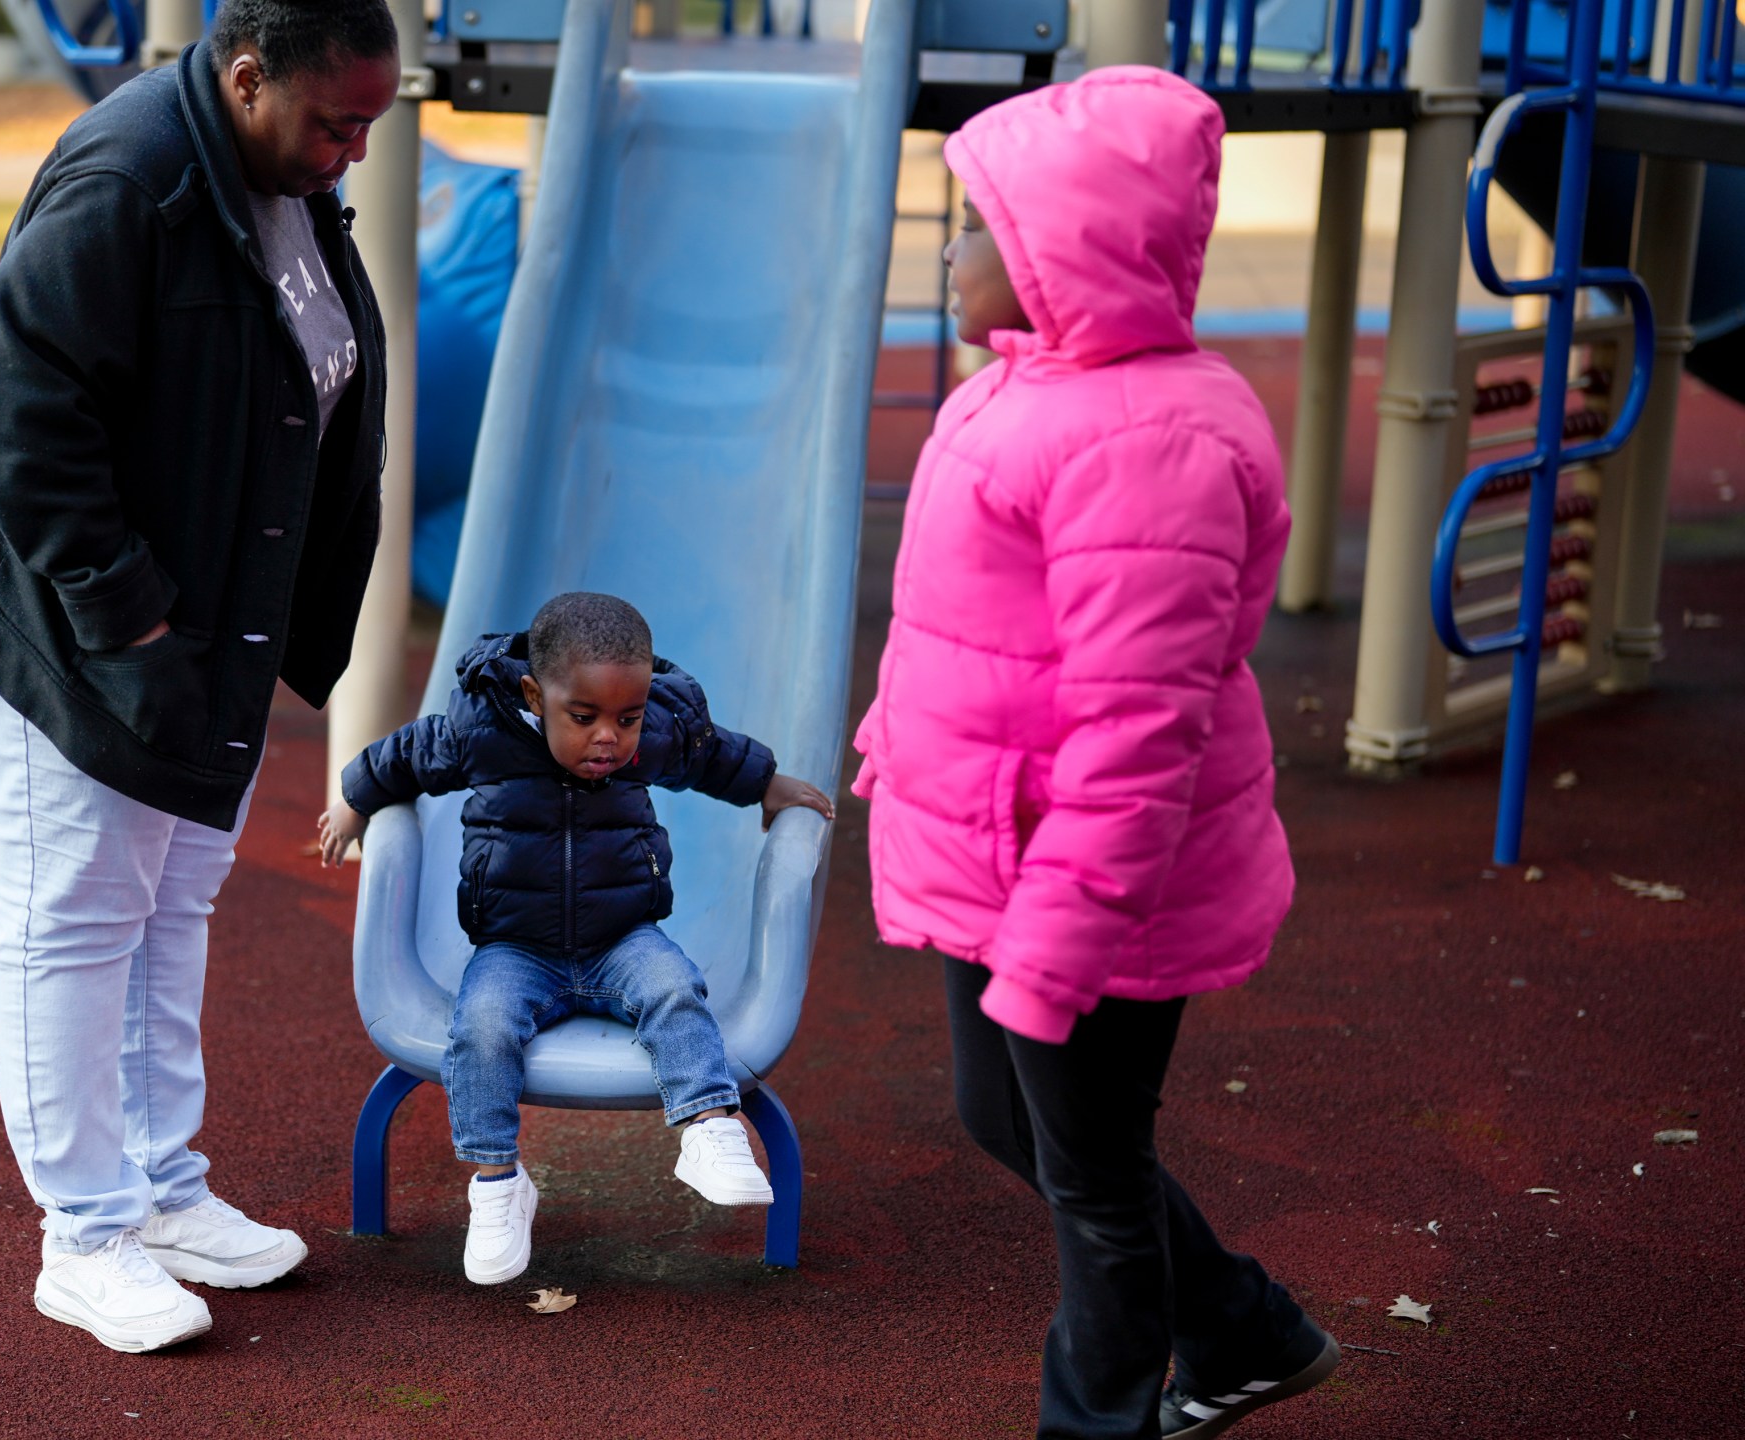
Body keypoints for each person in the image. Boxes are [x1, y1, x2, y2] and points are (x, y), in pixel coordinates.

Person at [0, 0, 401, 1355]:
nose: (352, 149)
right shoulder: (129, 179)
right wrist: (135, 629)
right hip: (38, 593)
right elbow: (19, 416)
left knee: (175, 889)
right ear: (243, 79)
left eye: (371, 125)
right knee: (75, 898)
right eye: (335, 121)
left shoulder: (280, 175)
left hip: (177, 601)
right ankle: (85, 1237)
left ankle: (160, 1189)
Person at [849, 68, 1337, 1438]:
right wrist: (901, 739)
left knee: (1095, 1178)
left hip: (1092, 882)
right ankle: (1248, 1329)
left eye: (977, 226)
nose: (950, 252)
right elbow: (965, 629)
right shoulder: (1022, 394)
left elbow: (1138, 737)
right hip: (1002, 853)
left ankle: (1102, 1422)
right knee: (1011, 1123)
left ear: (1070, 250)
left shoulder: (1153, 438)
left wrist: (1056, 949)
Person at [318, 592, 835, 1284]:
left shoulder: (651, 736)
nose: (608, 739)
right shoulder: (485, 730)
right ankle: (498, 1183)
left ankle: (708, 1125)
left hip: (622, 938)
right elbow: (405, 756)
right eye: (584, 717)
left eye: (628, 718)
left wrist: (768, 783)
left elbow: (709, 757)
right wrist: (354, 800)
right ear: (535, 693)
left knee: (675, 987)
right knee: (482, 1028)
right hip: (515, 948)